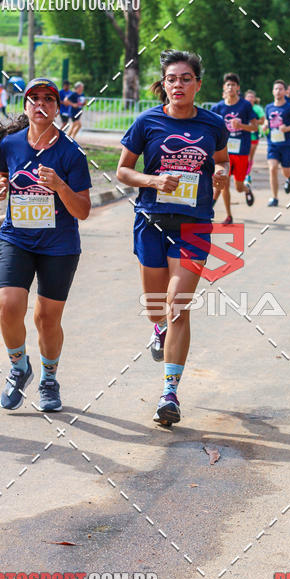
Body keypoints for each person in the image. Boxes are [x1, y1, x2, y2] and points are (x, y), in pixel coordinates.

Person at [116, 50, 229, 427]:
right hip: (151, 221)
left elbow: (222, 160)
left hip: (194, 224)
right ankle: (157, 329)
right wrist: (153, 180)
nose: (177, 84)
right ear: (163, 85)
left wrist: (222, 175)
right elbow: (123, 171)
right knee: (155, 308)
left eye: (185, 78)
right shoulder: (147, 121)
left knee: (177, 305)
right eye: (171, 79)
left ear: (198, 83)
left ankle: (169, 393)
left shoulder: (213, 124)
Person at [0, 78, 92, 412]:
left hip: (59, 246)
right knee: (8, 305)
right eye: (33, 98)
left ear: (57, 108)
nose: (41, 104)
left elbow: (82, 210)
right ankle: (19, 367)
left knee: (46, 319)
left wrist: (60, 185)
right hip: (16, 238)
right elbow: (0, 172)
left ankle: (49, 379)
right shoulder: (10, 144)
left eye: (48, 99)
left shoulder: (70, 153)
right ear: (25, 106)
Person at [210, 73, 257, 223]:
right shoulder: (217, 107)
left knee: (238, 186)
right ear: (224, 87)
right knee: (224, 183)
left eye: (233, 85)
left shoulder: (245, 105)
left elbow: (255, 127)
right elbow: (210, 129)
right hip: (223, 152)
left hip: (241, 151)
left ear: (238, 88)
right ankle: (229, 215)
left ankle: (247, 189)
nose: (230, 87)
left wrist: (241, 125)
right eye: (228, 85)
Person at [263, 79, 290, 207]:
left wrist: (287, 128)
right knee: (273, 168)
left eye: (280, 89)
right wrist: (265, 125)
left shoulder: (289, 108)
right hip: (272, 144)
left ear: (285, 91)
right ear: (273, 91)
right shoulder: (268, 107)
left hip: (286, 145)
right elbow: (267, 121)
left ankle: (289, 177)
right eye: (276, 89)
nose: (278, 91)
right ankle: (274, 198)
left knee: (286, 171)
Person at [244, 89, 264, 185]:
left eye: (252, 97)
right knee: (244, 157)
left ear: (255, 99)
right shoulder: (242, 107)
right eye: (248, 96)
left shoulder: (257, 109)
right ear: (245, 98)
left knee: (249, 157)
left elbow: (262, 121)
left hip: (253, 136)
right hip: (243, 136)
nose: (250, 98)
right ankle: (245, 175)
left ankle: (247, 175)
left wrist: (254, 122)